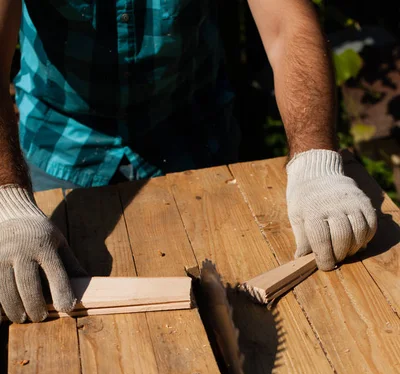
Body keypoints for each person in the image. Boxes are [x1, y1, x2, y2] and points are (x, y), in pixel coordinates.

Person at [0, 0, 377, 323]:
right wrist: (7, 200)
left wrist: (316, 161)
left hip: (193, 131)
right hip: (60, 137)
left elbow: (287, 22)